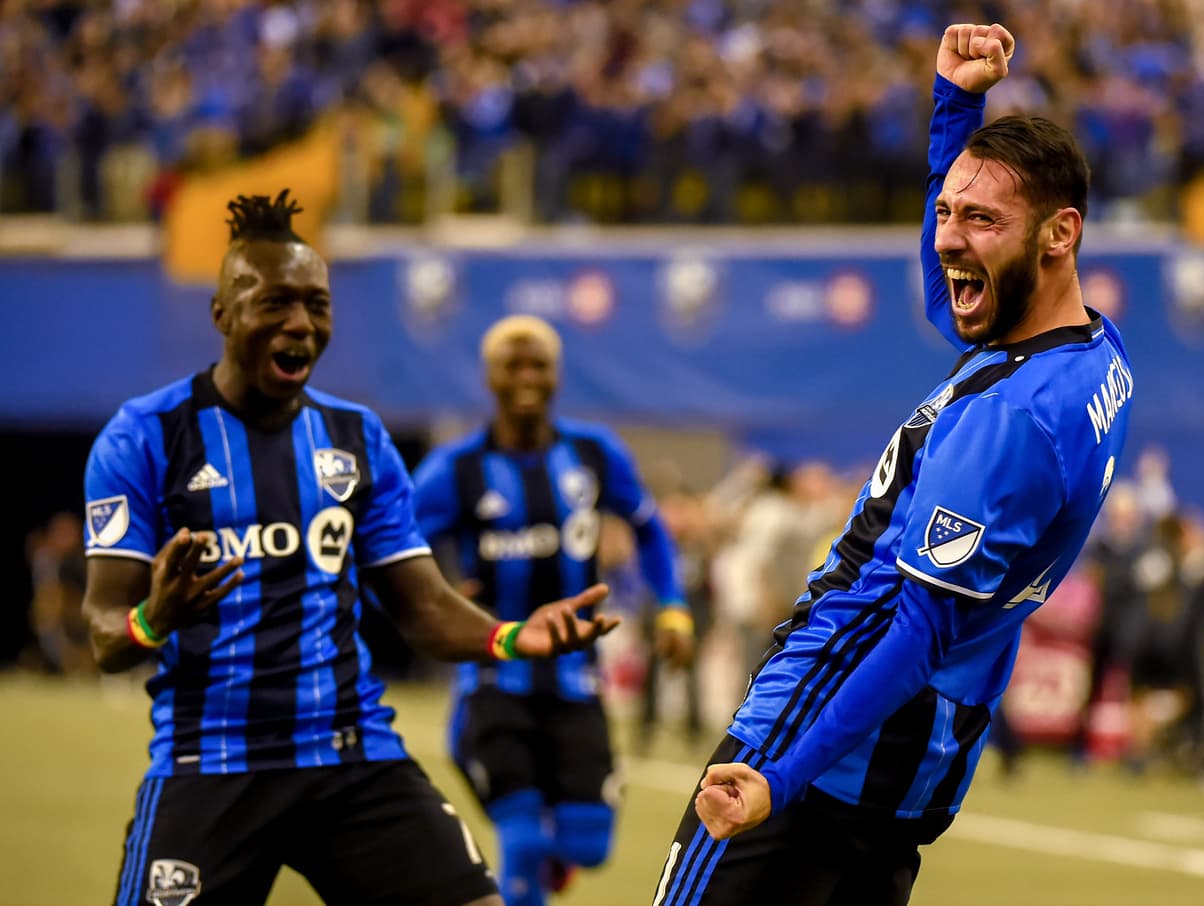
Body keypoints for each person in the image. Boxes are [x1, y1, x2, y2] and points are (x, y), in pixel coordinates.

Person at [652, 23, 1133, 906]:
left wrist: (780, 775)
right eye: (947, 212)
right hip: (910, 774)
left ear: (1060, 235)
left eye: (980, 219)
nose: (948, 239)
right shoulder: (1094, 357)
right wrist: (957, 108)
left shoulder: (1011, 418)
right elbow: (949, 284)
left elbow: (915, 629)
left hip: (820, 741)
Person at [81, 190, 618, 906]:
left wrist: (514, 636)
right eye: (274, 303)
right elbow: (103, 632)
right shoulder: (143, 437)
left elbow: (422, 605)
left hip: (350, 756)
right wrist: (154, 617)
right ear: (223, 314)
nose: (300, 323)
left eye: (316, 304)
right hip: (209, 763)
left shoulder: (356, 438)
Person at [411, 314, 693, 906]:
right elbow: (394, 549)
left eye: (537, 363)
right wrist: (439, 591)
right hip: (493, 681)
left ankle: (554, 861)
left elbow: (648, 527)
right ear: (489, 377)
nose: (526, 376)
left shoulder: (593, 455)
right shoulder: (454, 471)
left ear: (556, 374)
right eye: (512, 364)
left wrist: (671, 606)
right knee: (522, 837)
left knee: (588, 845)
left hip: (575, 680)